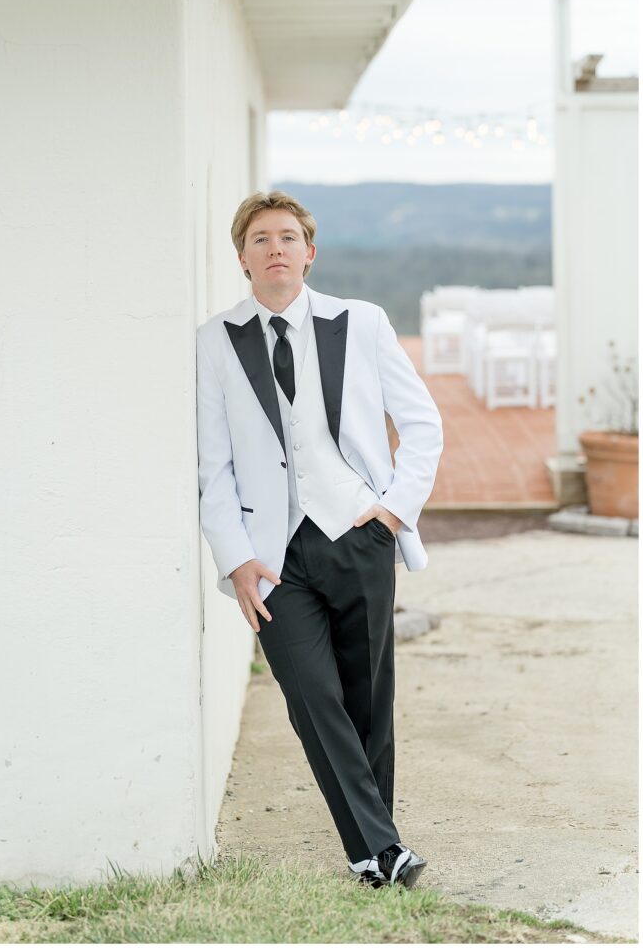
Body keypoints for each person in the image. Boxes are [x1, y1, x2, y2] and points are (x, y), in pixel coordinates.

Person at [196, 190, 443, 888]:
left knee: (368, 700)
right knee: (312, 696)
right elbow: (212, 465)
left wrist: (394, 512)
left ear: (310, 252)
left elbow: (422, 426)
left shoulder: (360, 324)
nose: (276, 248)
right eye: (260, 239)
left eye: (288, 237)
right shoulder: (214, 342)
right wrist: (234, 557)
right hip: (272, 559)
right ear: (242, 258)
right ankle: (388, 849)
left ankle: (373, 854)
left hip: (358, 534)